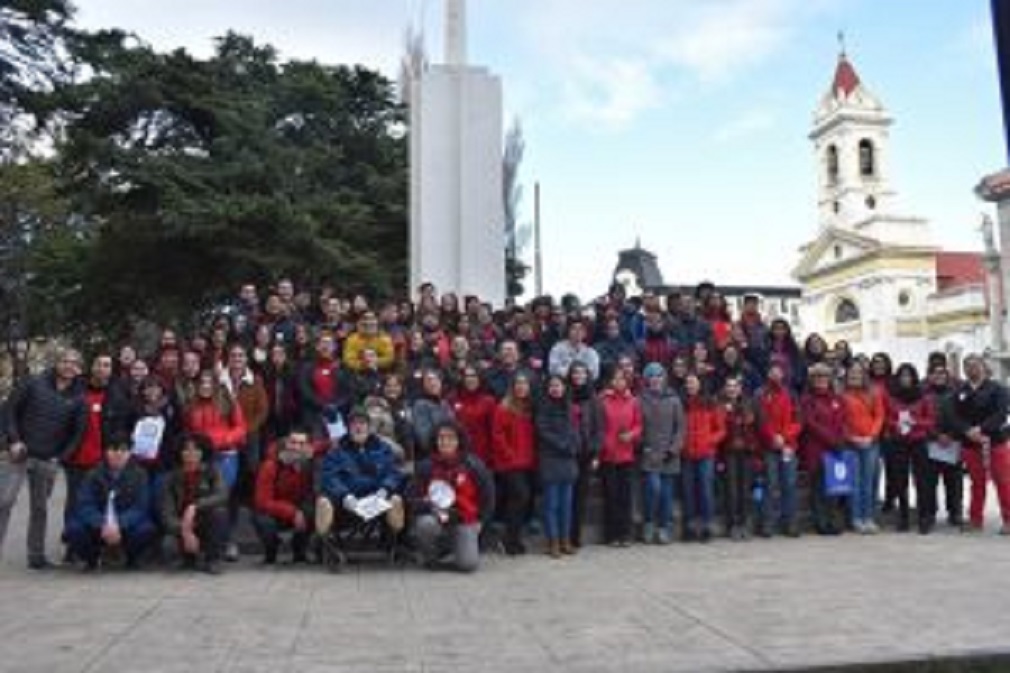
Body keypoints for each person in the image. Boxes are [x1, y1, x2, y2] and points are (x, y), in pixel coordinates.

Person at [1, 348, 85, 568]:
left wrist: (61, 457)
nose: (69, 365)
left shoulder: (78, 397)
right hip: (20, 454)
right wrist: (13, 440)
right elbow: (10, 411)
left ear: (78, 369)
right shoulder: (33, 383)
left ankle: (36, 556)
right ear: (56, 363)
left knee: (40, 508)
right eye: (65, 361)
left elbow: (77, 433)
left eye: (74, 363)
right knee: (4, 502)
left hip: (48, 460)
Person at [410, 421, 495, 572]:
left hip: (464, 519)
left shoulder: (473, 464)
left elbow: (488, 497)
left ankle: (453, 547)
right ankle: (431, 557)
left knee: (468, 565)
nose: (445, 442)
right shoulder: (425, 466)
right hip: (435, 518)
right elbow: (411, 500)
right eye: (441, 437)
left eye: (450, 437)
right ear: (435, 441)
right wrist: (428, 505)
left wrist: (481, 521)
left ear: (459, 441)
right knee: (425, 524)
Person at [64, 433, 156, 570]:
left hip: (124, 527)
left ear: (130, 453)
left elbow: (140, 507)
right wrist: (103, 524)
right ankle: (91, 559)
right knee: (73, 528)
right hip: (99, 527)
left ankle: (129, 558)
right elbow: (84, 505)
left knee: (146, 529)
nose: (118, 454)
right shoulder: (93, 474)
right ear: (106, 452)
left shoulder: (140, 475)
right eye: (113, 449)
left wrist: (118, 524)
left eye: (123, 450)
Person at [315, 408, 406, 540]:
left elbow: (393, 472)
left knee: (396, 499)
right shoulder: (336, 451)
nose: (358, 427)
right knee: (324, 502)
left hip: (377, 500)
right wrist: (344, 495)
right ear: (348, 428)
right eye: (354, 424)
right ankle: (326, 546)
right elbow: (329, 477)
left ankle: (395, 542)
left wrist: (386, 489)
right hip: (346, 504)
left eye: (362, 423)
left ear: (369, 427)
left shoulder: (383, 449)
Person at [949, 354, 1010, 534]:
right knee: (977, 483)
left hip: (995, 442)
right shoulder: (960, 391)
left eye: (975, 365)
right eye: (967, 366)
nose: (971, 369)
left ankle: (1008, 520)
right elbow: (954, 415)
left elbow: (1001, 414)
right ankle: (975, 520)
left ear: (983, 367)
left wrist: (982, 429)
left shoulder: (998, 389)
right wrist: (967, 430)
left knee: (1003, 481)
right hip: (971, 444)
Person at [160, 433, 229, 573]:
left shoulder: (212, 471)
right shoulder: (170, 478)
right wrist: (185, 531)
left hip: (205, 523)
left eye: (196, 450)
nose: (191, 454)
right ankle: (188, 559)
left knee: (219, 512)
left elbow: (222, 495)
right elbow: (167, 515)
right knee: (168, 545)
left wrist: (195, 506)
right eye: (186, 450)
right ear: (180, 453)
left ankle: (213, 560)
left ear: (203, 453)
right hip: (182, 526)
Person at [592, 368, 642, 547]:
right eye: (616, 379)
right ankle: (611, 535)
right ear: (611, 381)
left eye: (622, 379)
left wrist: (631, 435)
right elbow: (598, 426)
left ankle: (626, 534)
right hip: (608, 455)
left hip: (626, 455)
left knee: (625, 497)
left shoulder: (633, 401)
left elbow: (639, 425)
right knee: (611, 497)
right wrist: (604, 444)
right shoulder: (602, 400)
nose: (619, 382)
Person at [253, 428, 316, 564]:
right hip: (274, 511)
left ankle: (299, 552)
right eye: (293, 442)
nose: (297, 447)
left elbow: (327, 445)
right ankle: (271, 552)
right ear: (286, 443)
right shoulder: (270, 465)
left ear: (307, 447)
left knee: (313, 510)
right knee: (262, 520)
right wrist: (292, 512)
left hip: (299, 508)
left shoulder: (309, 465)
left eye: (301, 444)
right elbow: (262, 501)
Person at [638, 362, 684, 545]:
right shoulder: (640, 400)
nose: (655, 380)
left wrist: (673, 449)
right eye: (652, 376)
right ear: (647, 380)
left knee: (666, 494)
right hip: (649, 454)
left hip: (669, 456)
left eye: (659, 376)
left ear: (664, 378)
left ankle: (664, 527)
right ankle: (649, 522)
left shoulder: (674, 400)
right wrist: (643, 445)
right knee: (653, 489)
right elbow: (636, 425)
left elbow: (680, 428)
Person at [491, 372, 537, 555]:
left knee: (520, 500)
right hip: (509, 463)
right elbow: (497, 435)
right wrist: (509, 455)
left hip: (527, 462)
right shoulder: (503, 407)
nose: (521, 386)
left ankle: (514, 538)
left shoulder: (530, 407)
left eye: (524, 383)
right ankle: (509, 539)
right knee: (520, 497)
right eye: (518, 383)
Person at [885, 364, 935, 533]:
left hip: (918, 441)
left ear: (914, 378)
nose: (905, 379)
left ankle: (924, 517)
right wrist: (896, 424)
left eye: (909, 376)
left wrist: (916, 422)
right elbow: (887, 419)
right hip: (898, 442)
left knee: (922, 481)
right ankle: (904, 516)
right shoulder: (892, 397)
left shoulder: (923, 397)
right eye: (902, 376)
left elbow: (931, 421)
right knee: (900, 480)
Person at [535, 374, 580, 558]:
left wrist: (575, 444)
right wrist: (563, 445)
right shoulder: (543, 407)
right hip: (551, 459)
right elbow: (543, 431)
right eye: (552, 385)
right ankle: (552, 541)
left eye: (559, 385)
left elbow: (575, 430)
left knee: (566, 505)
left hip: (568, 460)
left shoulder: (570, 407)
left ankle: (565, 539)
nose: (555, 388)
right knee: (551, 505)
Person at [800, 364, 848, 536]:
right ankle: (821, 522)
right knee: (819, 488)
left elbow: (843, 420)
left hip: (835, 450)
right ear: (812, 380)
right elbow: (810, 423)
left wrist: (840, 438)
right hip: (816, 449)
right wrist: (831, 440)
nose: (821, 380)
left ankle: (833, 521)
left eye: (824, 377)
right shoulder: (807, 400)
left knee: (834, 488)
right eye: (817, 377)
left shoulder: (837, 399)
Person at [756, 362, 802, 538]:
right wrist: (773, 437)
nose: (775, 374)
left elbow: (798, 420)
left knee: (789, 485)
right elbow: (761, 419)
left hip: (788, 446)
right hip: (769, 446)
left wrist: (784, 437)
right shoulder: (760, 393)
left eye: (779, 371)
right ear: (768, 373)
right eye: (772, 371)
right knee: (770, 484)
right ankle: (768, 524)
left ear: (783, 374)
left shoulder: (791, 394)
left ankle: (790, 523)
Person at [841, 362, 886, 534]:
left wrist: (871, 436)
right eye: (852, 374)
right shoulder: (842, 395)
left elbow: (879, 416)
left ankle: (869, 517)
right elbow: (840, 421)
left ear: (864, 375)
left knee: (869, 483)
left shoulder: (874, 393)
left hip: (870, 443)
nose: (855, 377)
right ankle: (855, 518)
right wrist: (851, 437)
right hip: (850, 444)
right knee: (854, 483)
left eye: (858, 373)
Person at [681, 372, 726, 542]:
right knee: (689, 491)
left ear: (700, 384)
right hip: (687, 454)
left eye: (693, 382)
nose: (690, 385)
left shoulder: (710, 403)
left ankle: (707, 525)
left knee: (706, 490)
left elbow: (721, 429)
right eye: (688, 383)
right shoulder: (682, 403)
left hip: (706, 453)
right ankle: (691, 526)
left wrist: (709, 441)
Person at [923, 365, 964, 530]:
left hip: (952, 442)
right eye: (935, 373)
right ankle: (930, 513)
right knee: (929, 482)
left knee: (954, 481)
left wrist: (951, 435)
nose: (939, 376)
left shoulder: (956, 394)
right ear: (929, 376)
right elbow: (921, 416)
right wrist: (936, 435)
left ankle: (955, 512)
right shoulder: (924, 394)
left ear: (948, 376)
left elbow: (962, 416)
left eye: (942, 373)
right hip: (931, 442)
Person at [720, 376, 761, 540]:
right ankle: (732, 524)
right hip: (728, 452)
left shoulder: (750, 403)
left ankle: (744, 523)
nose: (732, 389)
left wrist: (756, 451)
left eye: (735, 386)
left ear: (740, 388)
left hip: (747, 451)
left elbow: (757, 426)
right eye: (729, 386)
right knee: (731, 489)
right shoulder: (720, 404)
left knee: (745, 488)